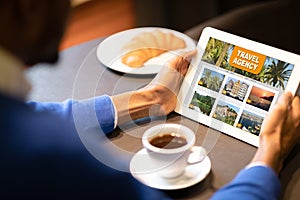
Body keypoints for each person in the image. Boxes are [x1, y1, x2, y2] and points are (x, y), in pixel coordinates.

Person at [0, 0, 299, 199]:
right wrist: (269, 153)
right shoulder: (50, 156)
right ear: (27, 8)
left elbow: (34, 114)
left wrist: (150, 98)